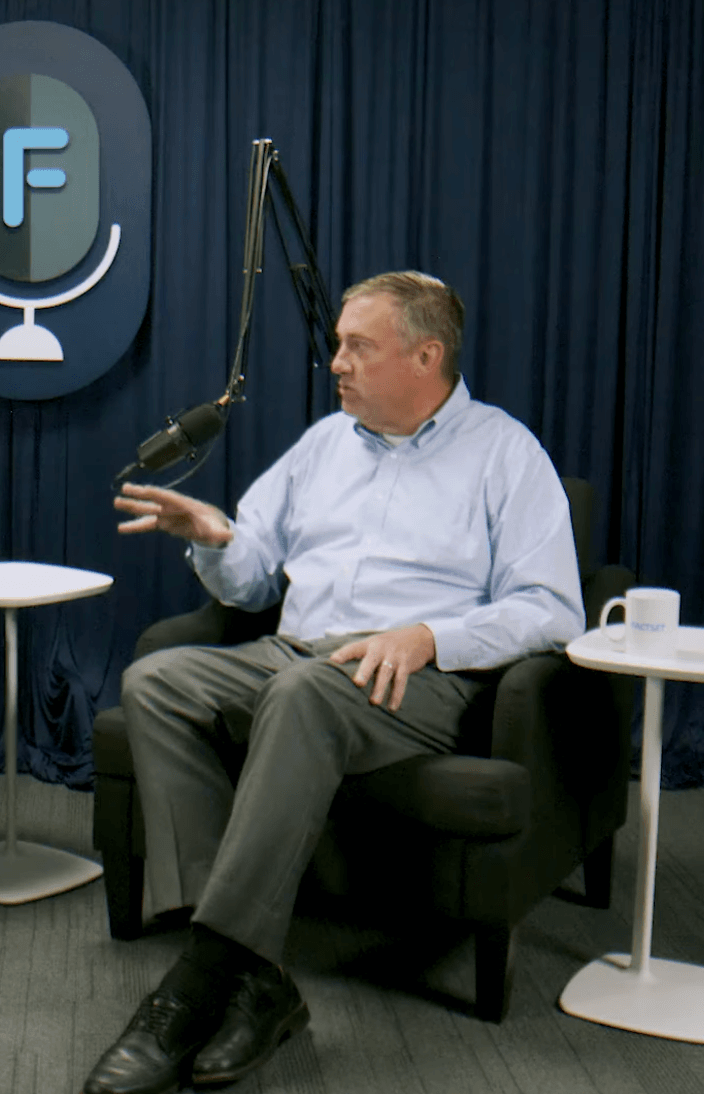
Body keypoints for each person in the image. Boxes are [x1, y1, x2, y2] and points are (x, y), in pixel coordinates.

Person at [86, 271, 584, 1093]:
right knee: (158, 681)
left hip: (415, 675)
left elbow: (553, 610)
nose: (337, 363)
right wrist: (215, 537)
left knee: (306, 693)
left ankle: (196, 982)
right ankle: (255, 978)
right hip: (296, 652)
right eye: (339, 344)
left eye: (358, 346)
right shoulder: (325, 444)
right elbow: (252, 581)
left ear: (425, 356)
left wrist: (429, 636)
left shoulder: (506, 453)